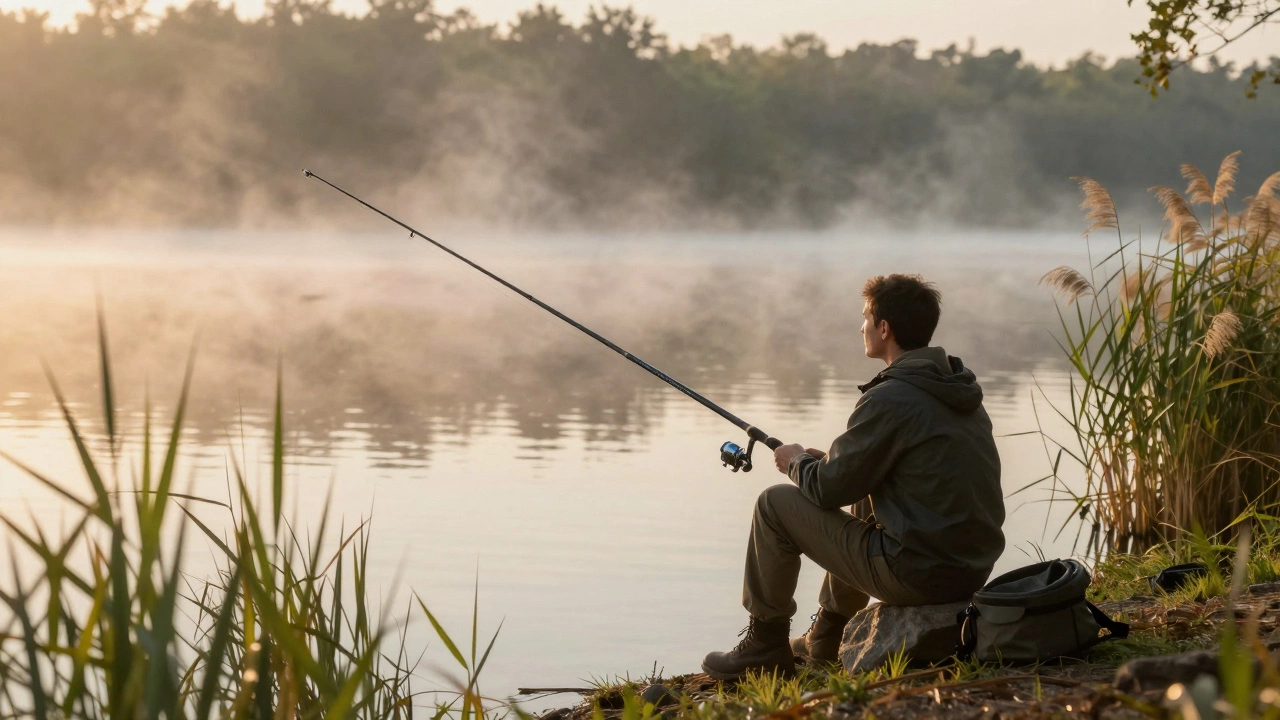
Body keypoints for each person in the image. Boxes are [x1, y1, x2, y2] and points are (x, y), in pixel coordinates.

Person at [701, 274, 1005, 680]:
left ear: (884, 328)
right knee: (864, 485)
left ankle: (764, 644)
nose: (860, 326)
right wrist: (831, 461)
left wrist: (794, 462)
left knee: (774, 505)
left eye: (865, 317)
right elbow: (905, 471)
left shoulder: (890, 396)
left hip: (921, 576)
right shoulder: (953, 386)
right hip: (970, 568)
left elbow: (827, 490)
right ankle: (829, 634)